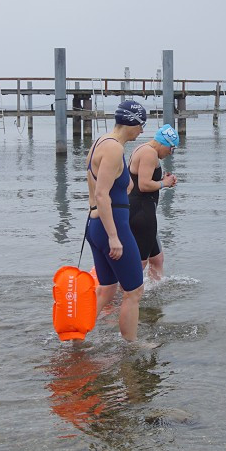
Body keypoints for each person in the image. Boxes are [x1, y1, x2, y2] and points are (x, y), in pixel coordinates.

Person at [86, 100, 147, 342]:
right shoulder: (114, 149)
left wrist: (125, 182)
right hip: (112, 227)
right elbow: (102, 194)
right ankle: (132, 346)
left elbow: (110, 185)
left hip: (95, 225)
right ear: (131, 122)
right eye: (141, 125)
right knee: (134, 291)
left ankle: (78, 335)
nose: (141, 131)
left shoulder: (100, 142)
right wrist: (114, 237)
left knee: (107, 288)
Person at [128, 123, 178, 281]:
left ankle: (153, 296)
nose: (170, 153)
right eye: (171, 149)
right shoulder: (149, 153)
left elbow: (141, 180)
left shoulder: (144, 149)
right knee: (139, 263)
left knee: (157, 259)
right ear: (164, 143)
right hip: (141, 214)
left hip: (143, 211)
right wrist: (165, 183)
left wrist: (163, 180)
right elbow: (143, 185)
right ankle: (122, 298)